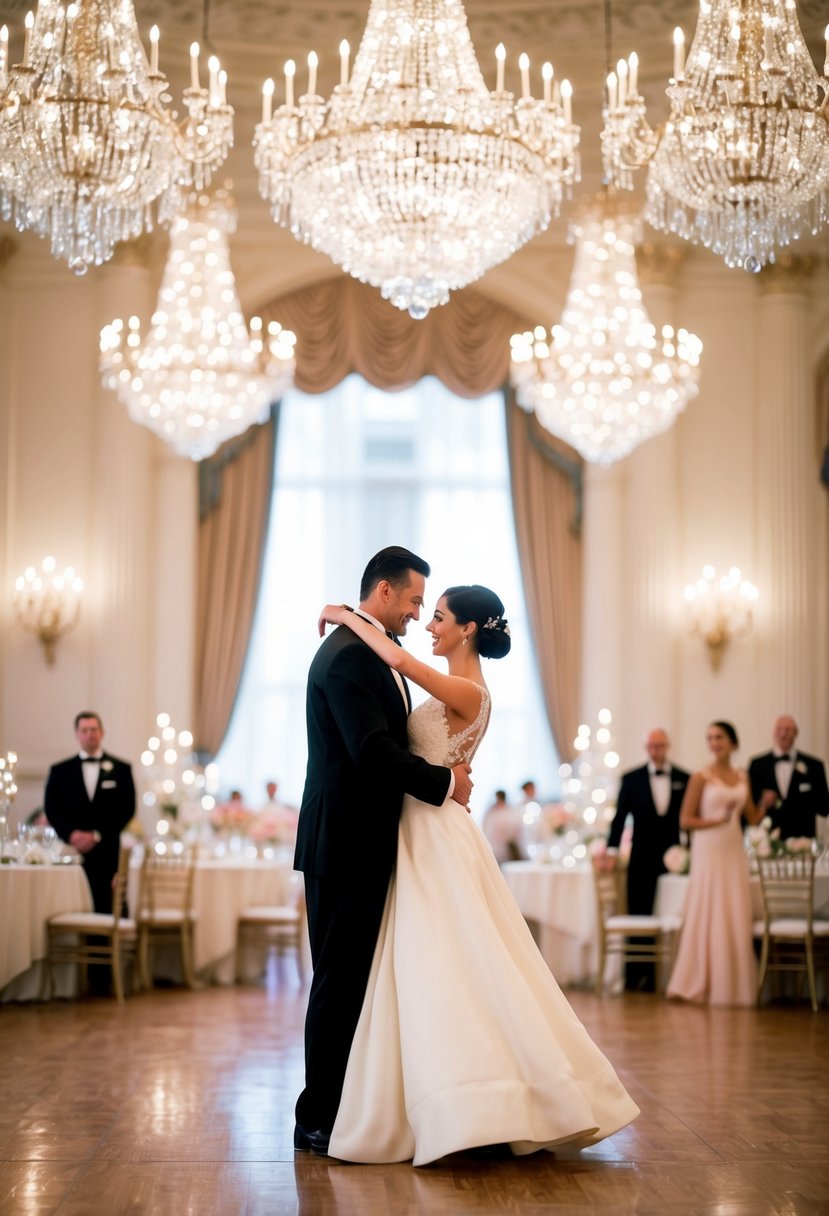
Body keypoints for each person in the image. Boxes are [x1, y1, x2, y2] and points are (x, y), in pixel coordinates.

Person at [318, 585, 639, 1166]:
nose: (427, 624)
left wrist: (343, 614)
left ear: (467, 629)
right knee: (434, 962)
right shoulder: (460, 688)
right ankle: (436, 1095)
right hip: (422, 825)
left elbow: (396, 659)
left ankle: (483, 1100)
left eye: (437, 616)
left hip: (436, 833)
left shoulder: (468, 689)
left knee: (451, 958)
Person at [293, 546, 473, 1157]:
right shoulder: (348, 658)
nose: (419, 613)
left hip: (365, 840)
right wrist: (445, 784)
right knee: (339, 982)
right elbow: (372, 751)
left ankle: (349, 1104)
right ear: (387, 593)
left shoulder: (365, 645)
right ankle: (316, 1115)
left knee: (354, 982)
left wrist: (343, 613)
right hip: (343, 842)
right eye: (417, 600)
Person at [667, 721, 764, 1007]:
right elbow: (685, 820)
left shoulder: (742, 776)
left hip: (733, 850)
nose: (714, 742)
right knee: (709, 908)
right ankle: (700, 981)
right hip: (708, 850)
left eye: (719, 737)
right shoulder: (701, 776)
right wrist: (716, 820)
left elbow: (751, 817)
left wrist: (764, 806)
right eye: (710, 738)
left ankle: (732, 985)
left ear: (733, 742)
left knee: (733, 909)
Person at [607, 729, 690, 991]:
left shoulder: (684, 778)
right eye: (652, 746)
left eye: (660, 746)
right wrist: (611, 850)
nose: (656, 751)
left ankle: (664, 978)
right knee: (638, 913)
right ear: (646, 748)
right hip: (640, 857)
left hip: (673, 859)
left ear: (668, 746)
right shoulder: (631, 778)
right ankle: (636, 978)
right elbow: (620, 818)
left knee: (670, 912)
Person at [44, 711, 135, 914]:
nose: (89, 734)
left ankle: (108, 946)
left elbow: (127, 809)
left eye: (93, 729)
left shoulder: (121, 769)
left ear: (102, 733)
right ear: (77, 734)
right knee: (70, 907)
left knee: (106, 907)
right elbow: (52, 809)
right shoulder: (60, 770)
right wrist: (71, 834)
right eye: (84, 730)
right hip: (72, 853)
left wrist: (96, 834)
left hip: (107, 852)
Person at [748, 715, 829, 840]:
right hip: (768, 838)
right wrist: (763, 800)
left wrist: (804, 797)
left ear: (796, 733)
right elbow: (750, 803)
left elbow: (824, 807)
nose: (783, 734)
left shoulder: (814, 765)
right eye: (779, 729)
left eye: (788, 729)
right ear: (773, 733)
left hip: (803, 838)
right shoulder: (757, 764)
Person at [482, 788, 526, 864]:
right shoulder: (491, 813)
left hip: (507, 845)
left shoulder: (509, 811)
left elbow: (514, 828)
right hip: (494, 843)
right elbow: (486, 828)